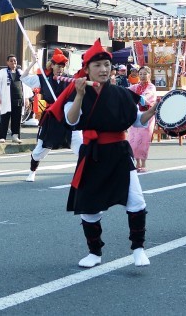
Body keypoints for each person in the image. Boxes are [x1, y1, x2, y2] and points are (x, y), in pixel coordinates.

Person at [58, 39, 157, 268]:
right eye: (98, 66)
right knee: (89, 207)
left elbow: (137, 122)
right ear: (87, 69)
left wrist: (152, 110)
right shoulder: (75, 93)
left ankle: (138, 248)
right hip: (92, 154)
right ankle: (94, 252)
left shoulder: (123, 94)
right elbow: (71, 120)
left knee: (136, 200)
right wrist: (80, 95)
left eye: (106, 65)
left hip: (120, 153)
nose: (104, 70)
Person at [21, 48, 80, 182]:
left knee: (81, 147)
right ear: (52, 65)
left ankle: (84, 175)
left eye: (62, 66)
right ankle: (32, 171)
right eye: (58, 66)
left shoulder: (69, 79)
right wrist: (32, 63)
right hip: (51, 118)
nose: (60, 69)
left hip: (67, 117)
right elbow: (23, 78)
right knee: (39, 151)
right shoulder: (43, 78)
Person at [0, 54, 31, 144]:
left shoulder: (20, 72)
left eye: (15, 61)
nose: (13, 62)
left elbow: (26, 85)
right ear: (7, 62)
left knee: (17, 118)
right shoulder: (2, 72)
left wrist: (26, 98)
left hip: (19, 98)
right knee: (5, 117)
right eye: (11, 61)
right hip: (7, 98)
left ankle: (15, 136)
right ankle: (2, 136)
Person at [128, 66, 157, 173]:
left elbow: (147, 98)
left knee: (144, 139)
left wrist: (138, 97)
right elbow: (127, 92)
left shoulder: (151, 87)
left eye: (145, 74)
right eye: (141, 74)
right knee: (133, 139)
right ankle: (137, 162)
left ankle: (143, 163)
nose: (142, 76)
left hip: (147, 115)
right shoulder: (135, 86)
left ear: (149, 75)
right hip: (136, 114)